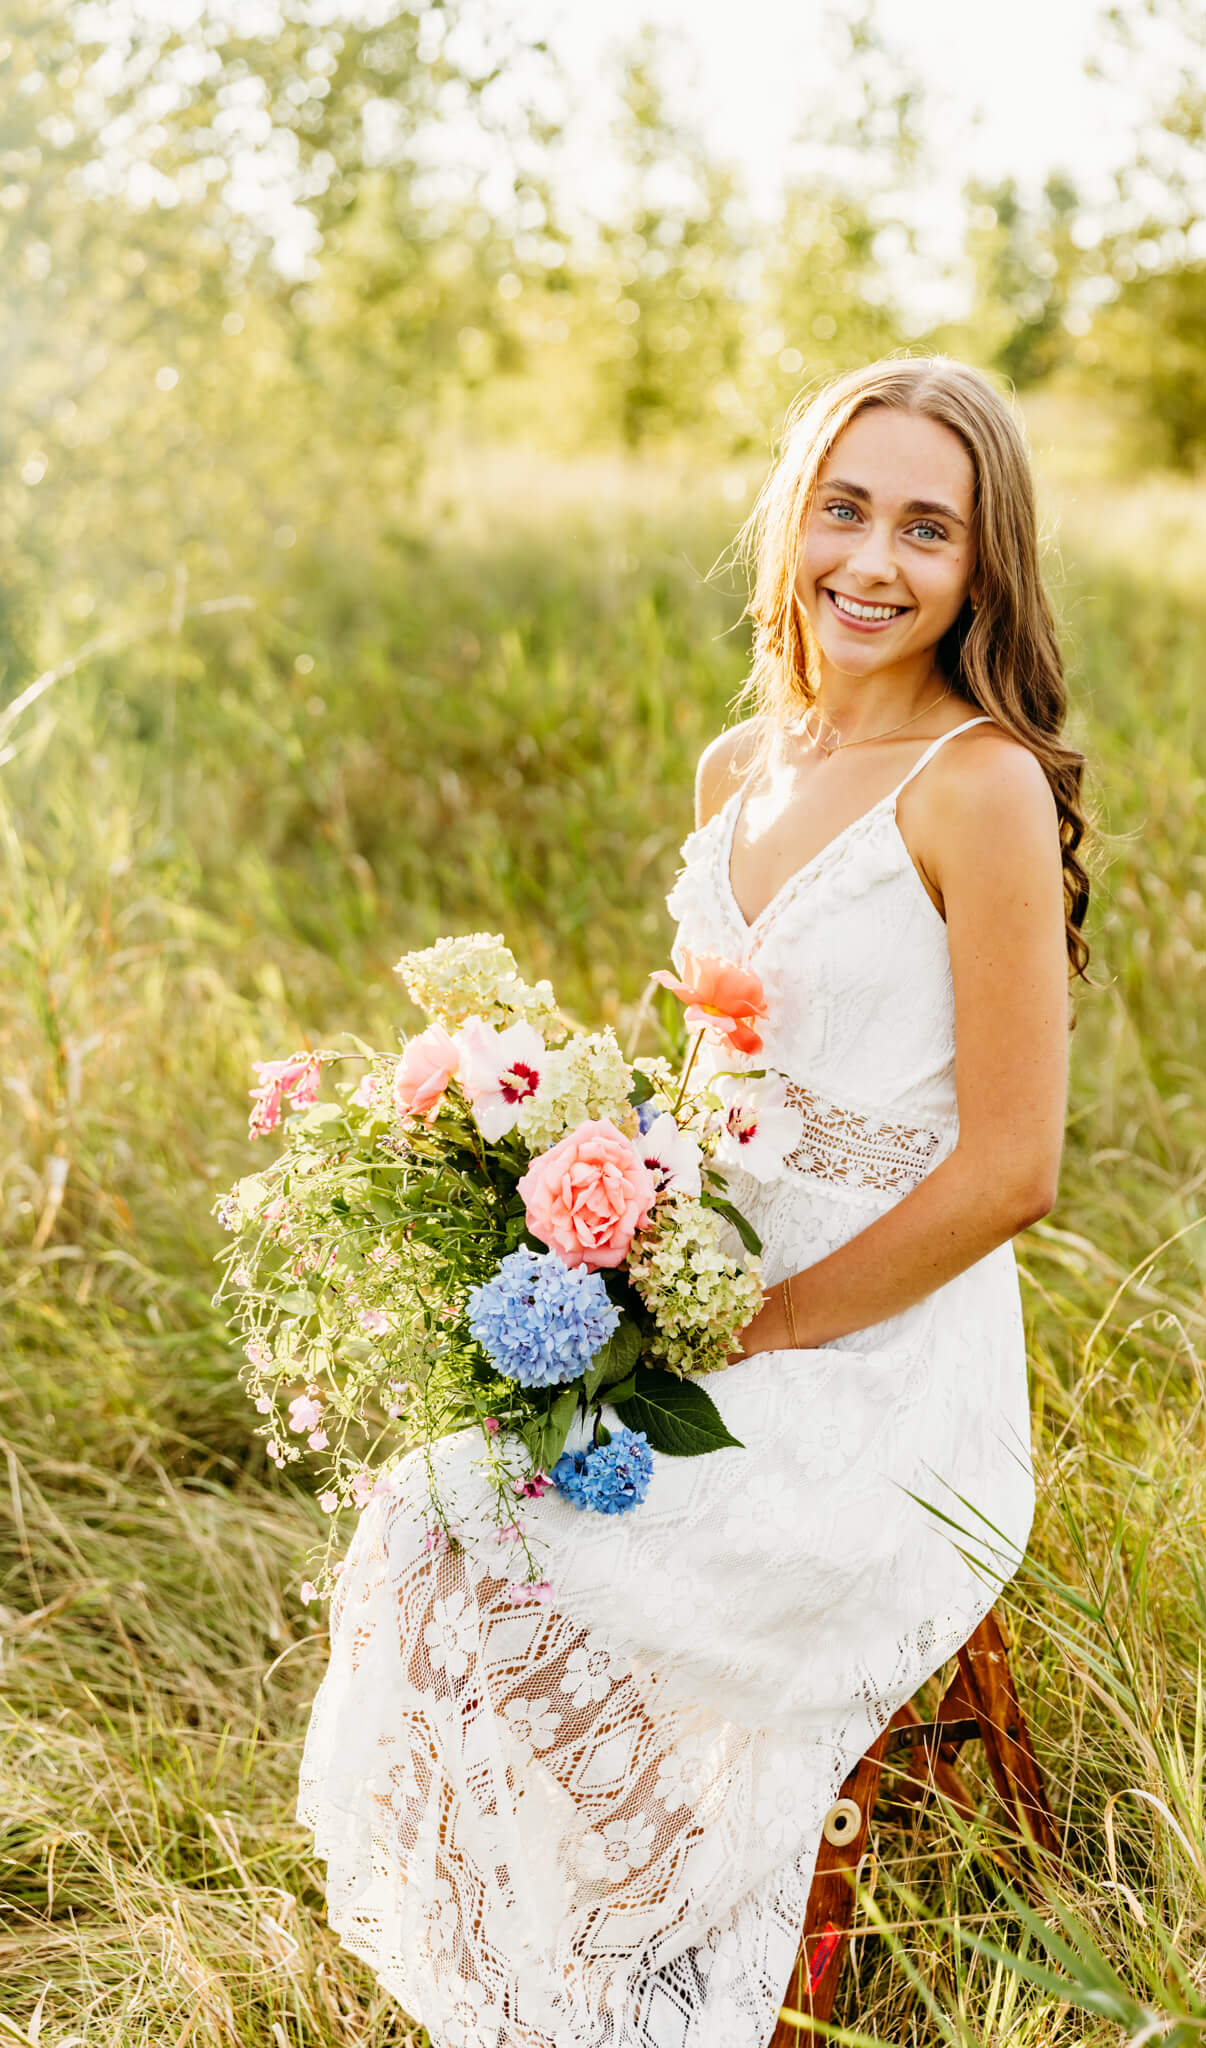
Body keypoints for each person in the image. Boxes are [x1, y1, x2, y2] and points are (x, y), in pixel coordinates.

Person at [298, 353, 1090, 2048]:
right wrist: (593, 1207)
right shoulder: (743, 765)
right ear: (793, 520)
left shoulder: (978, 785)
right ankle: (570, 1953)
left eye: (926, 529)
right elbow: (717, 1082)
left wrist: (774, 1327)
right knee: (436, 1513)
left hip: (883, 1360)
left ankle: (651, 1956)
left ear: (982, 563)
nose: (871, 562)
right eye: (843, 507)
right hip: (705, 1294)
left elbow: (1012, 1169)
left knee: (537, 1543)